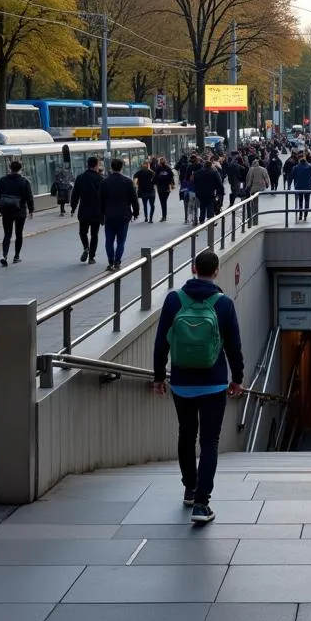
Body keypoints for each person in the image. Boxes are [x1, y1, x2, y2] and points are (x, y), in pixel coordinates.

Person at [153, 249, 244, 524]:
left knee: (186, 435)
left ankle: (190, 489)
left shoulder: (173, 300)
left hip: (182, 383)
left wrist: (159, 376)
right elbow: (233, 346)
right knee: (210, 442)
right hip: (214, 383)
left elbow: (161, 342)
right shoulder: (224, 303)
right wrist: (237, 378)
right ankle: (202, 505)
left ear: (193, 268)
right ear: (216, 271)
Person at [99, 158, 140, 271]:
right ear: (122, 167)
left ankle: (110, 261)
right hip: (124, 215)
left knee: (109, 240)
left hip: (109, 215)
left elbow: (101, 200)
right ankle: (118, 261)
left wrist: (102, 214)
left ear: (111, 167)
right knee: (121, 240)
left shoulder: (104, 182)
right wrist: (136, 212)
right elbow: (134, 199)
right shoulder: (127, 182)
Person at [0, 160, 35, 267]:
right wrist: (31, 210)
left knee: (7, 234)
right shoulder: (24, 182)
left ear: (10, 168)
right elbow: (29, 197)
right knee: (19, 234)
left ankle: (4, 256)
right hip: (20, 211)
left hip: (6, 211)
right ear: (21, 169)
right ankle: (16, 256)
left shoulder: (3, 180)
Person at [70, 156, 104, 264]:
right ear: (96, 165)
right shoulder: (100, 179)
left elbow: (75, 194)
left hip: (84, 210)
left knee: (82, 232)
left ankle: (86, 247)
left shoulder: (80, 177)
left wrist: (73, 208)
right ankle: (91, 257)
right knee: (94, 235)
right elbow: (104, 197)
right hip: (96, 211)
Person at [244, 157, 271, 225]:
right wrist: (267, 184)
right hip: (260, 187)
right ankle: (256, 217)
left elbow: (249, 179)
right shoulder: (263, 169)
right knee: (256, 201)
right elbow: (266, 177)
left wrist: (247, 187)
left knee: (253, 202)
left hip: (253, 188)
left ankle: (254, 217)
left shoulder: (251, 169)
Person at [291, 154, 311, 221]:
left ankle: (300, 214)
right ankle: (305, 215)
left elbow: (292, 175)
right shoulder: (309, 166)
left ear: (299, 160)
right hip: (308, 186)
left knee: (300, 200)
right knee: (307, 200)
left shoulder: (296, 167)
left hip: (299, 186)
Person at [134, 159, 156, 223]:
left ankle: (146, 218)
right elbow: (155, 175)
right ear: (148, 165)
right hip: (151, 191)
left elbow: (134, 177)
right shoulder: (150, 172)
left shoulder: (139, 172)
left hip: (143, 191)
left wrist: (136, 184)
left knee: (145, 205)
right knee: (152, 205)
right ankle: (150, 218)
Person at [53, 146, 74, 216]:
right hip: (65, 184)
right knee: (64, 198)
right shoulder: (68, 158)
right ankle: (63, 210)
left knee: (62, 198)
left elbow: (58, 172)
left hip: (61, 185)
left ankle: (62, 210)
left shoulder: (61, 159)